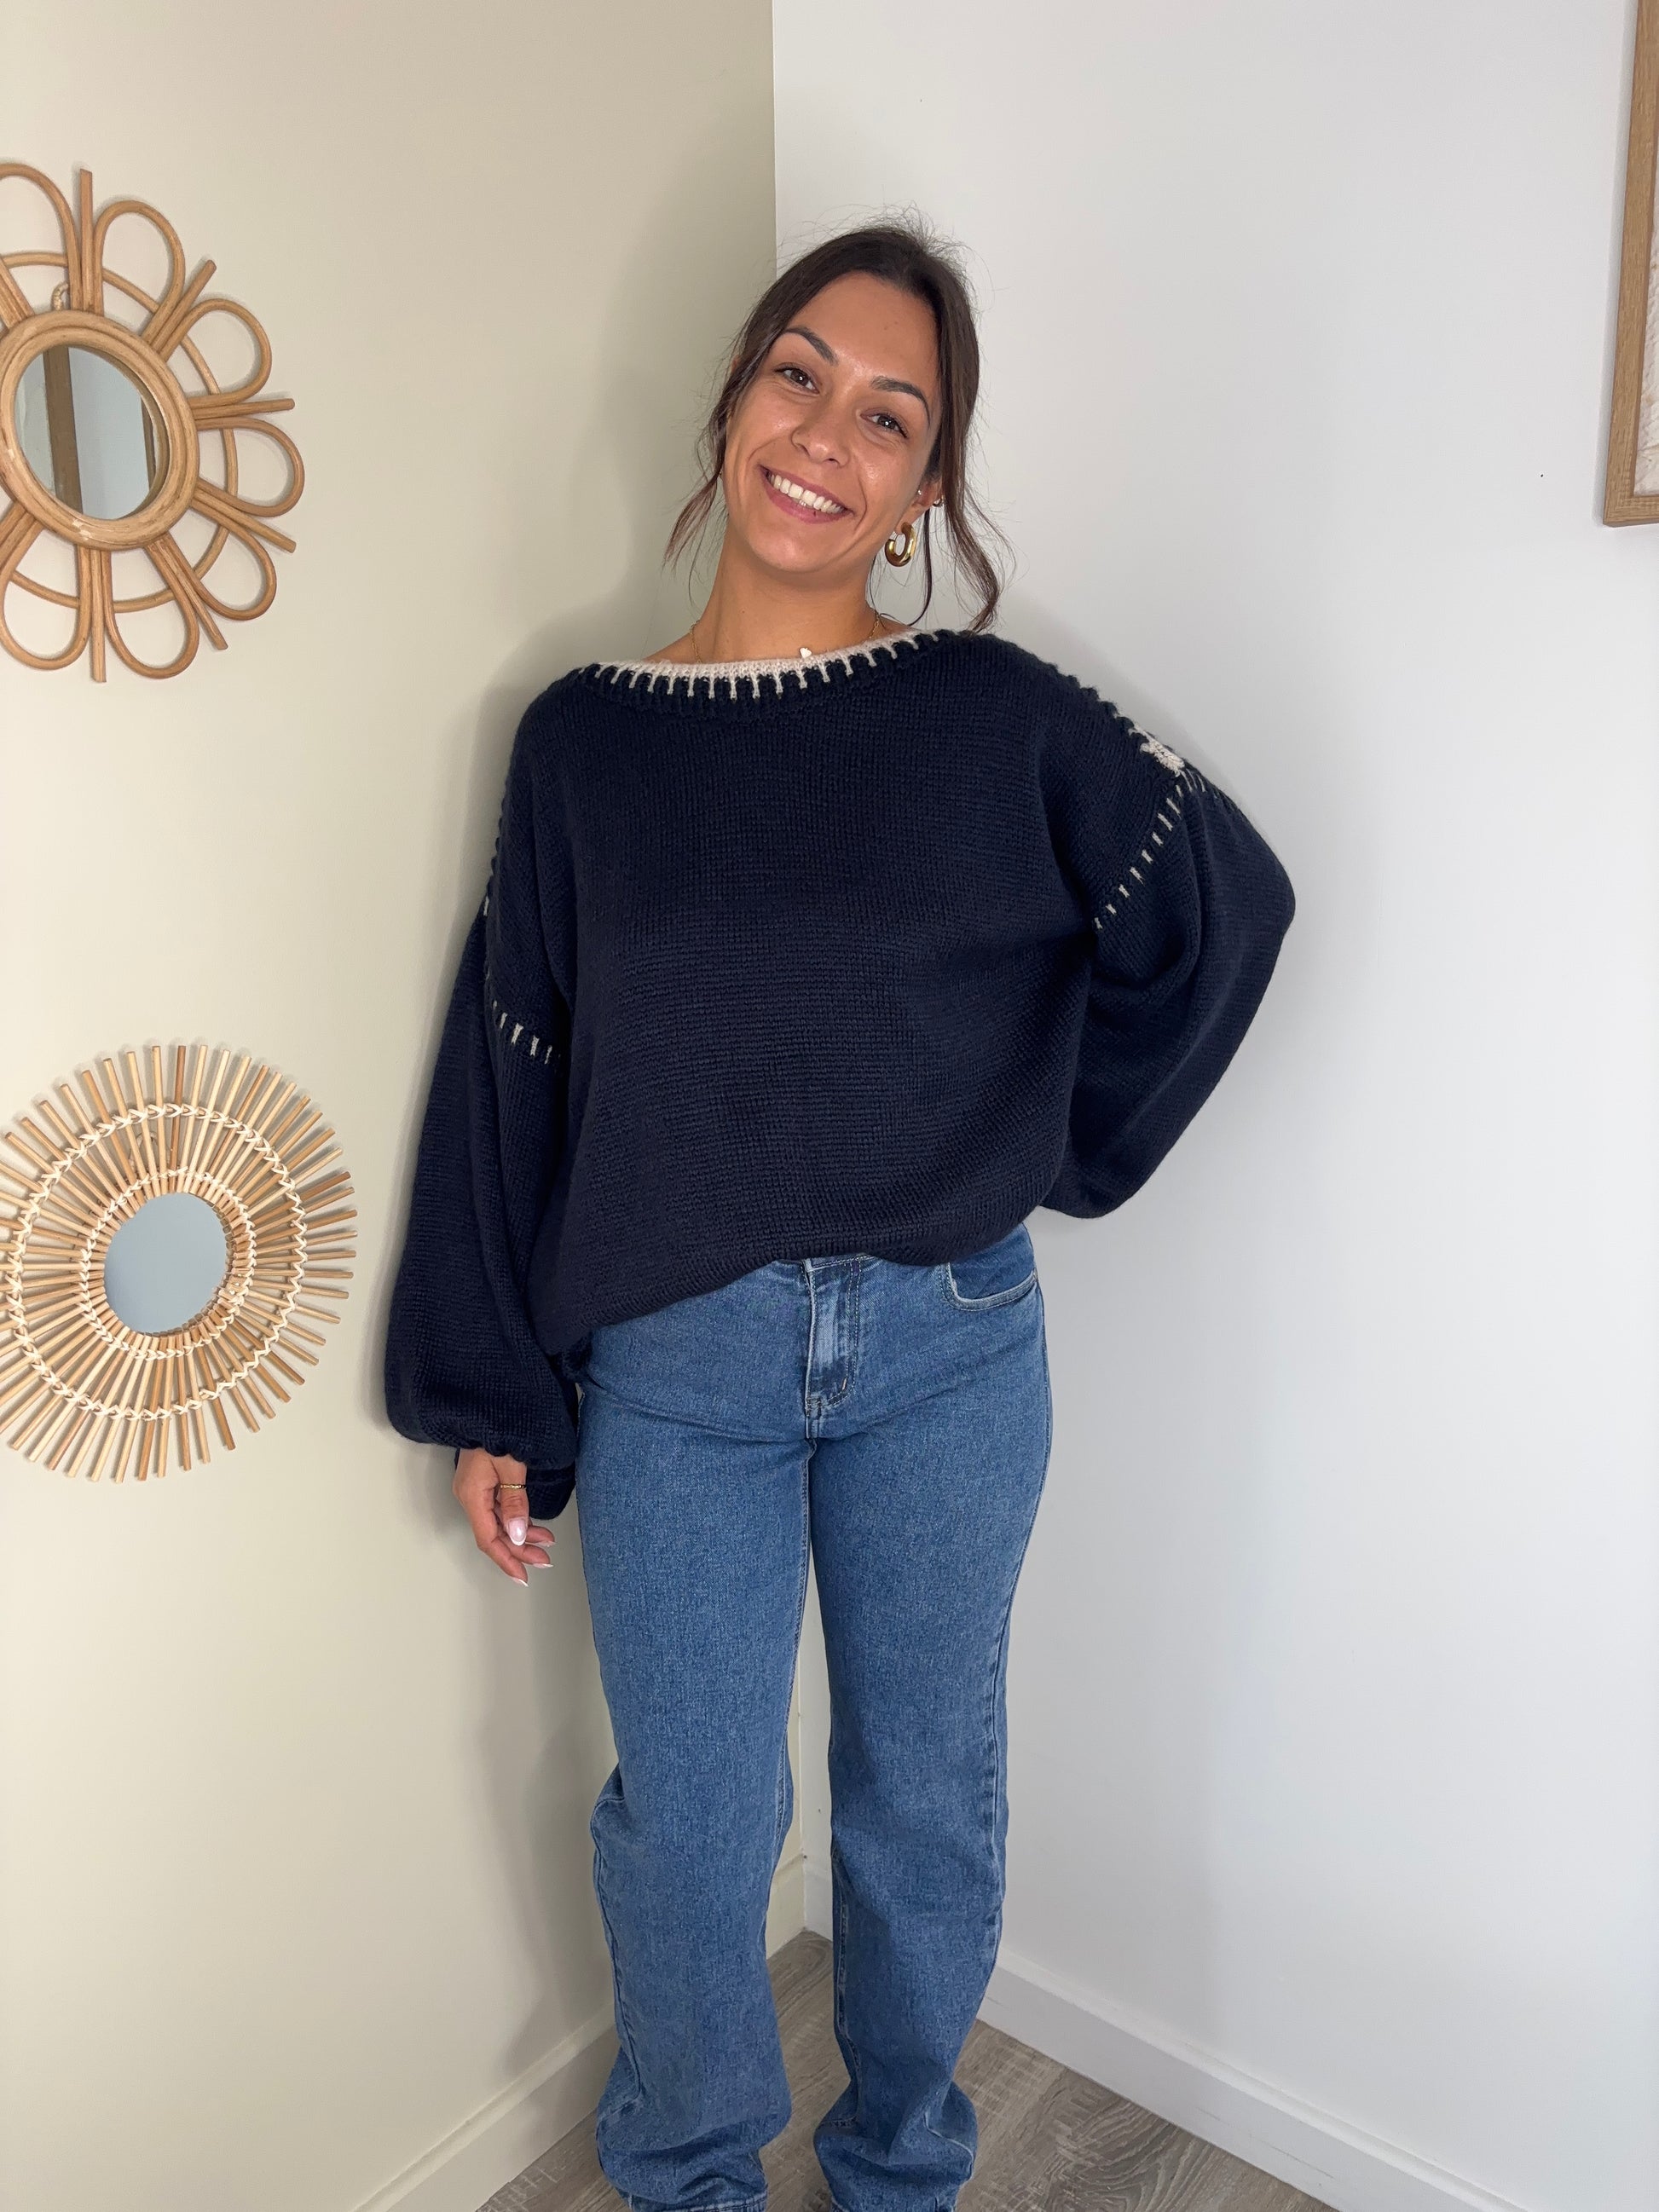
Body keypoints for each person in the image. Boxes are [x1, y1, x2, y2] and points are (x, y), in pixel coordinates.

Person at [384, 218, 1295, 2212]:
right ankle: (689, 2172)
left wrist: (1048, 1141)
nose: (827, 435)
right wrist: (492, 1385)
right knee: (692, 1825)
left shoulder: (989, 712)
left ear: (927, 481)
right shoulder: (583, 740)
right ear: (734, 395)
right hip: (676, 1364)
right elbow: (515, 1061)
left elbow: (1218, 902)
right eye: (800, 374)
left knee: (921, 1809)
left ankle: (899, 2171)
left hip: (949, 1352)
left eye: (892, 415)